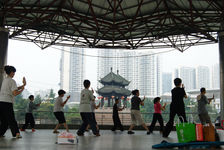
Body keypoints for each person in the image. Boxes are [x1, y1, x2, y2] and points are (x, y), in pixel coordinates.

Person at [0, 65, 26, 138]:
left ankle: (1, 132)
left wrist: (22, 86)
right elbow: (14, 93)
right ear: (11, 72)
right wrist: (22, 89)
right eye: (14, 73)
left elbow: (13, 89)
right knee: (11, 119)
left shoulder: (5, 80)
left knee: (4, 120)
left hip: (1, 101)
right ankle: (17, 133)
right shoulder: (12, 81)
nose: (14, 74)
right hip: (7, 102)